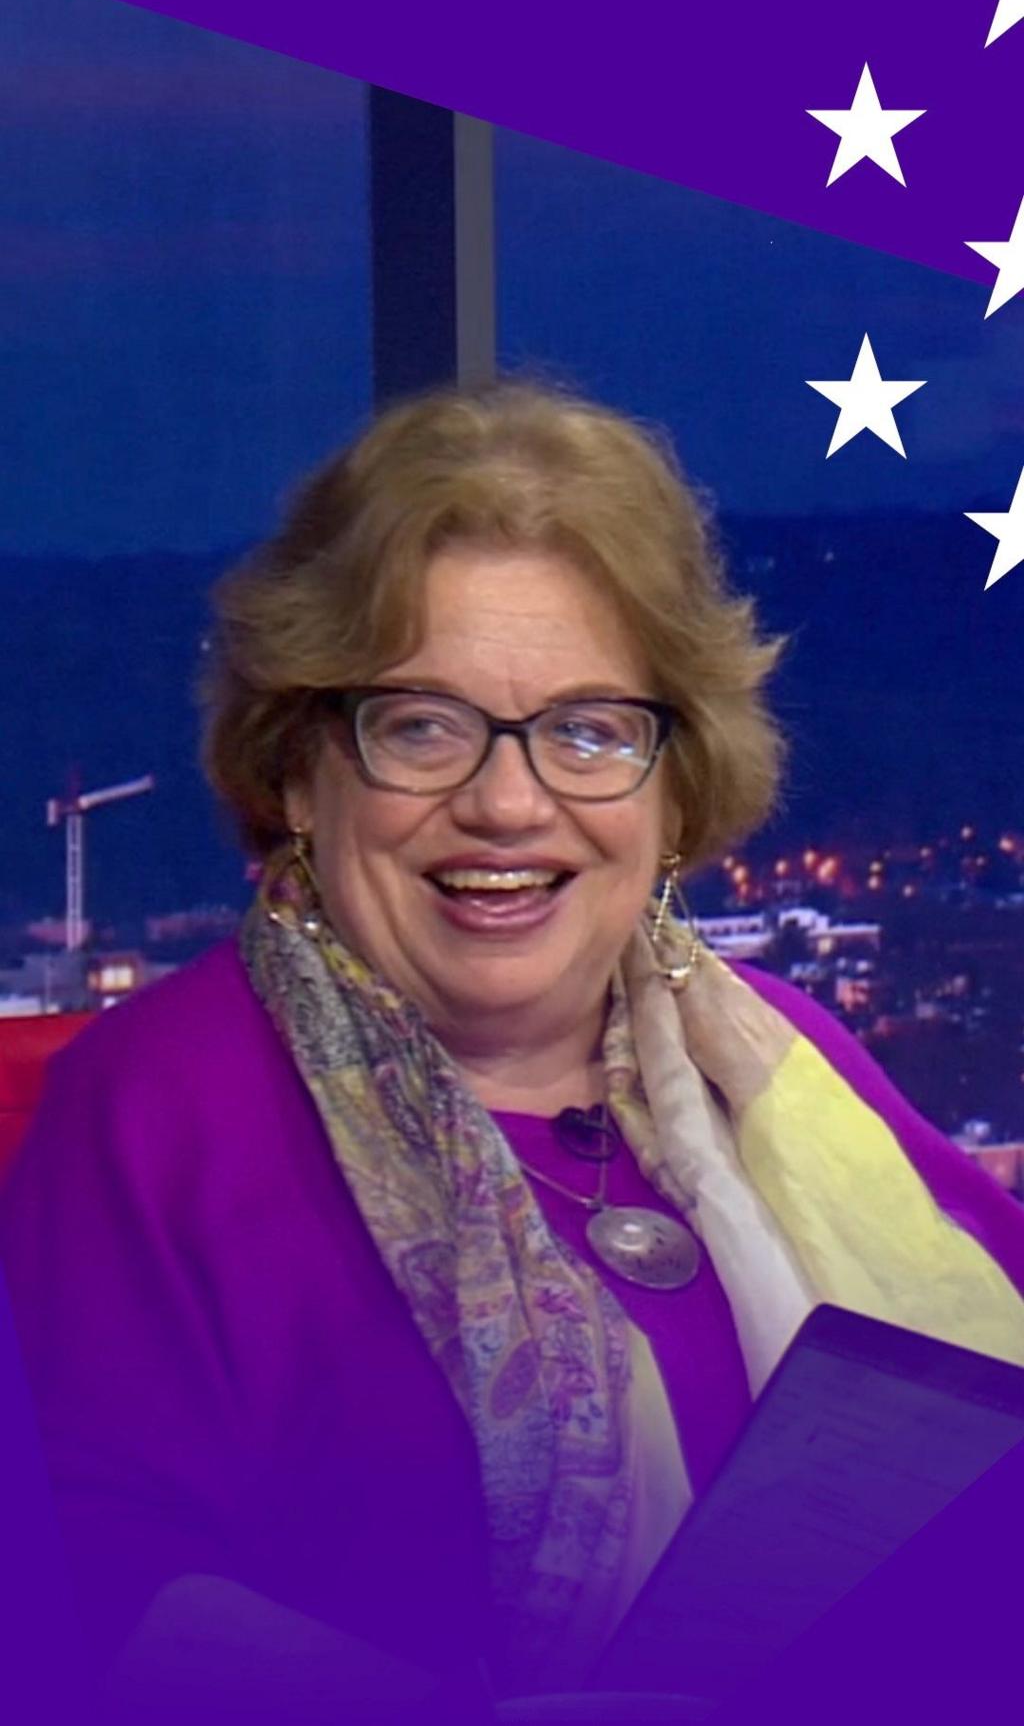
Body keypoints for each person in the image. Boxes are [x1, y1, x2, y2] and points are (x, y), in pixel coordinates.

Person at [2, 381, 1024, 1720]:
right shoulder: (147, 1117)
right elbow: (95, 1628)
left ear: (675, 790)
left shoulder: (791, 1064)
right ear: (301, 773)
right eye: (420, 726)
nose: (505, 802)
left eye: (589, 732)